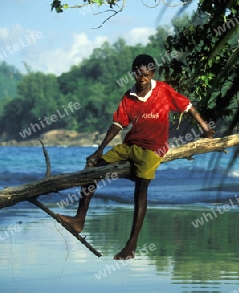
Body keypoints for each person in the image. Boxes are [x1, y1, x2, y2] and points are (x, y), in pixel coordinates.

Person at [57, 54, 215, 260]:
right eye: (139, 75)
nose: (142, 79)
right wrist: (100, 149)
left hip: (154, 149)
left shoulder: (164, 91)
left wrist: (204, 127)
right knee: (92, 168)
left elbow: (187, 106)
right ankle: (79, 219)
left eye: (146, 75)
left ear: (152, 74)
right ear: (134, 74)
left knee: (140, 189)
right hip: (130, 145)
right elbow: (118, 123)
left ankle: (131, 245)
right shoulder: (128, 96)